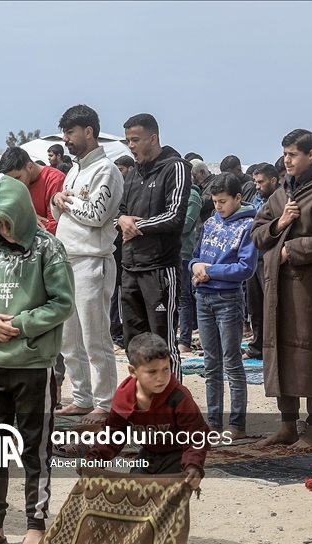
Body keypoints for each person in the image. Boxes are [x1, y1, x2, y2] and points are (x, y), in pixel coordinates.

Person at [0, 175, 75, 544]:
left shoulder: (48, 248)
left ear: (23, 214)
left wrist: (22, 324)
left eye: (8, 221)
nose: (4, 230)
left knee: (34, 449)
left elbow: (62, 302)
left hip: (34, 365)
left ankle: (36, 525)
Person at [83, 332, 207, 544]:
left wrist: (193, 466)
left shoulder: (178, 396)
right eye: (152, 372)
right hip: (148, 454)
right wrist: (95, 459)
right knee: (134, 501)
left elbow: (196, 434)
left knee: (170, 508)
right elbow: (113, 434)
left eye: (165, 369)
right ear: (133, 371)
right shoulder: (124, 396)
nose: (161, 378)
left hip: (177, 456)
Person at [252, 129, 312, 448]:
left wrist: (290, 250)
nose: (287, 160)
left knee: (309, 356)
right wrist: (279, 224)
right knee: (280, 354)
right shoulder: (280, 194)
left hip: (307, 289)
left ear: (311, 155)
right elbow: (257, 234)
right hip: (277, 289)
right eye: (285, 154)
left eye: (293, 154)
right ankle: (288, 425)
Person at [49, 104, 124, 426]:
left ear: (88, 131)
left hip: (93, 261)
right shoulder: (75, 169)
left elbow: (97, 215)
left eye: (70, 132)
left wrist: (69, 202)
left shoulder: (106, 170)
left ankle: (105, 402)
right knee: (69, 339)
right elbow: (59, 210)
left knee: (95, 338)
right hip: (66, 259)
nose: (66, 139)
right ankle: (81, 398)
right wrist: (56, 200)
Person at [117, 113, 192, 380]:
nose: (131, 145)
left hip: (160, 270)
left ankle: (173, 401)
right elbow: (120, 213)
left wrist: (137, 226)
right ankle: (142, 400)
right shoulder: (132, 174)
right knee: (134, 345)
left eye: (135, 139)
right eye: (128, 140)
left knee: (163, 344)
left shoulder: (175, 167)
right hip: (130, 269)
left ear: (153, 138)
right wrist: (122, 221)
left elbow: (176, 216)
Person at [189, 173, 257, 439]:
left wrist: (210, 271)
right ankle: (214, 422)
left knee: (232, 362)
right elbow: (195, 256)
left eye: (223, 201)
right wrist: (196, 266)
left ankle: (237, 424)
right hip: (202, 297)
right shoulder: (210, 221)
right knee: (211, 363)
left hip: (228, 299)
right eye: (215, 201)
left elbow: (245, 268)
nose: (218, 206)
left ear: (238, 198)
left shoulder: (248, 225)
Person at [244, 162, 279, 362]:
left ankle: (275, 348)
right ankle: (257, 347)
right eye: (255, 182)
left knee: (272, 306)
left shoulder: (282, 199)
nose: (257, 186)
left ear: (273, 180)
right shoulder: (256, 199)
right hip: (253, 259)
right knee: (255, 306)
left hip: (271, 258)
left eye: (261, 182)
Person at [0, 146, 64, 234]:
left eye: (17, 178)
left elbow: (54, 226)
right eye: (11, 180)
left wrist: (27, 221)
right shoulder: (15, 183)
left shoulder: (55, 180)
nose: (15, 183)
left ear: (29, 167)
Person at [178, 167, 203, 354]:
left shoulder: (192, 196)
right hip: (171, 252)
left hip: (184, 253)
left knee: (184, 298)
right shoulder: (177, 194)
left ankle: (185, 341)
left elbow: (185, 225)